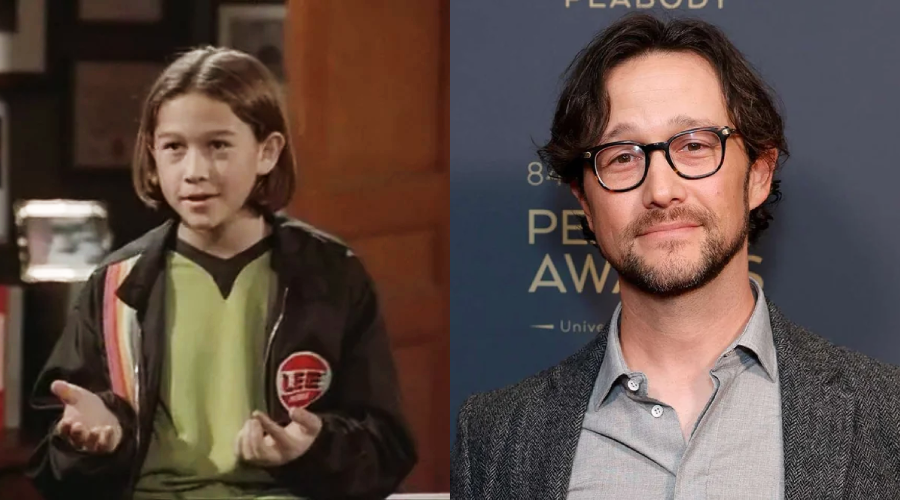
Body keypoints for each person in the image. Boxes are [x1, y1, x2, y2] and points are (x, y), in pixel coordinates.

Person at [452, 13, 900, 499]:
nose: (661, 190)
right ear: (584, 200)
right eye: (622, 156)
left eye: (693, 146)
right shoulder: (493, 439)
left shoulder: (886, 416)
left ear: (757, 176)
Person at [27, 46, 417, 500]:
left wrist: (314, 448)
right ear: (152, 155)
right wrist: (92, 443)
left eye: (218, 146)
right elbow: (52, 462)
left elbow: (387, 448)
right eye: (174, 148)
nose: (194, 171)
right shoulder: (116, 284)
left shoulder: (331, 275)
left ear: (267, 153)